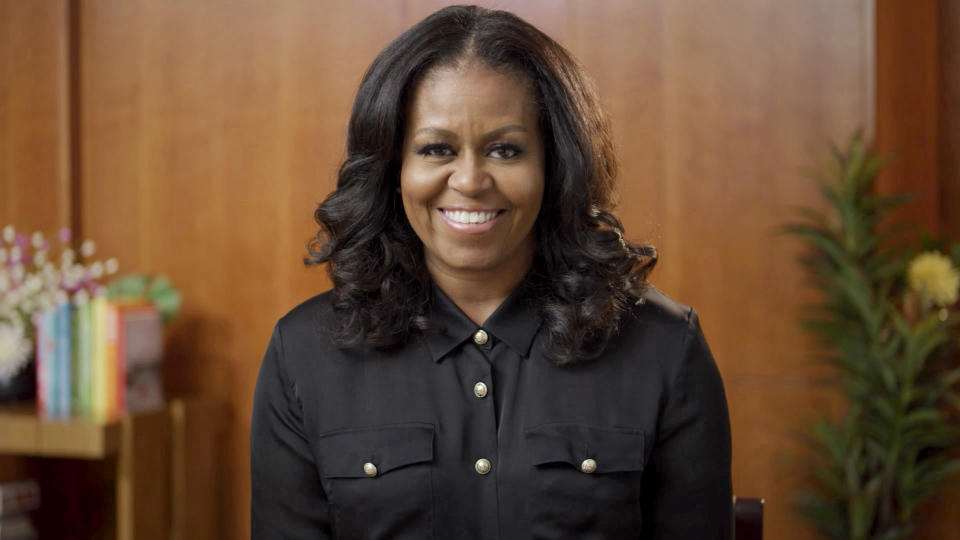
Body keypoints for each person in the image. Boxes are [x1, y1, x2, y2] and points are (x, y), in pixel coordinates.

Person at [250, 5, 731, 539]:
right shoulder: (304, 354)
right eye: (437, 149)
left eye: (505, 149)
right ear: (393, 169)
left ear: (555, 165)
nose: (471, 180)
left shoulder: (663, 347)